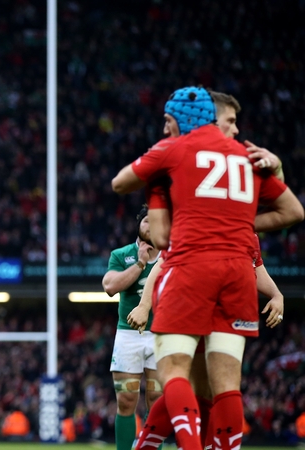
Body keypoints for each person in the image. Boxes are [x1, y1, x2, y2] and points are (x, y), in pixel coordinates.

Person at [111, 86, 303, 450]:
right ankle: (150, 445)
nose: (234, 130)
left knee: (177, 375)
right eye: (230, 122)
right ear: (209, 119)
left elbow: (161, 240)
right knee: (220, 386)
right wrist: (242, 218)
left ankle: (167, 445)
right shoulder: (245, 161)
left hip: (191, 272)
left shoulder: (177, 157)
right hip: (235, 278)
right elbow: (291, 213)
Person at [101, 205, 162, 450]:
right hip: (128, 334)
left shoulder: (173, 254)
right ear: (139, 224)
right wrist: (139, 263)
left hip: (162, 335)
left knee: (157, 402)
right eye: (146, 220)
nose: (150, 225)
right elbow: (110, 287)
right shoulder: (121, 254)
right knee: (126, 400)